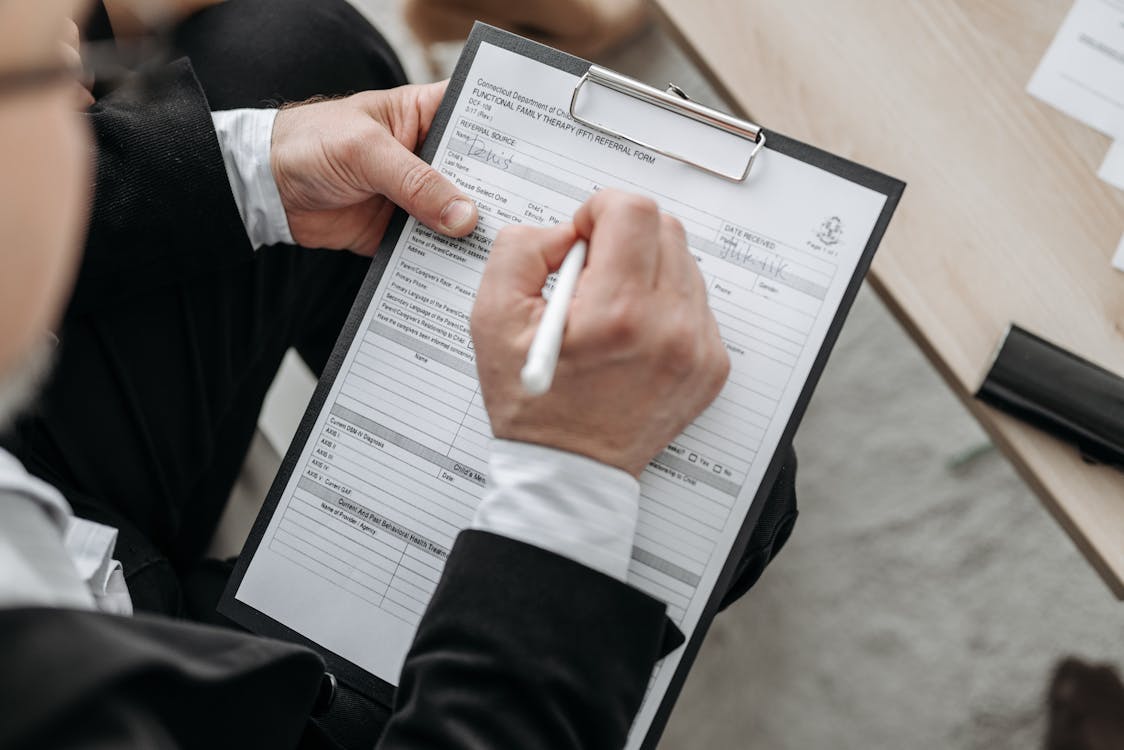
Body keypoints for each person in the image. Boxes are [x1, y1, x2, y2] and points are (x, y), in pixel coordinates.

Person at [0, 0, 798, 746]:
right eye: (51, 87)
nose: (86, 104)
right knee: (734, 486)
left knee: (299, 56)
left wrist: (261, 164)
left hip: (56, 513)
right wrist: (571, 473)